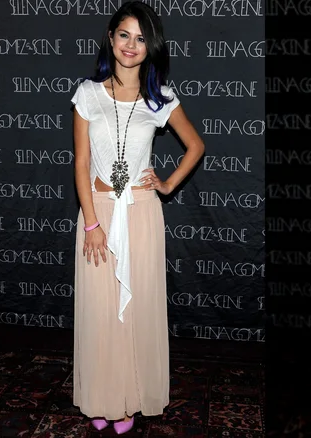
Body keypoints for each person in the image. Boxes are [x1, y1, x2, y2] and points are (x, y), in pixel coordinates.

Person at [70, 1, 205, 434]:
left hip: (142, 214)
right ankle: (101, 396)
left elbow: (196, 146)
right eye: (124, 34)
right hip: (99, 212)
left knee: (135, 310)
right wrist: (92, 224)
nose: (131, 44)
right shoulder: (87, 93)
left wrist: (167, 184)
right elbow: (81, 162)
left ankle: (128, 399)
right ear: (110, 38)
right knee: (100, 310)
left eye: (141, 38)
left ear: (151, 46)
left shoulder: (160, 96)